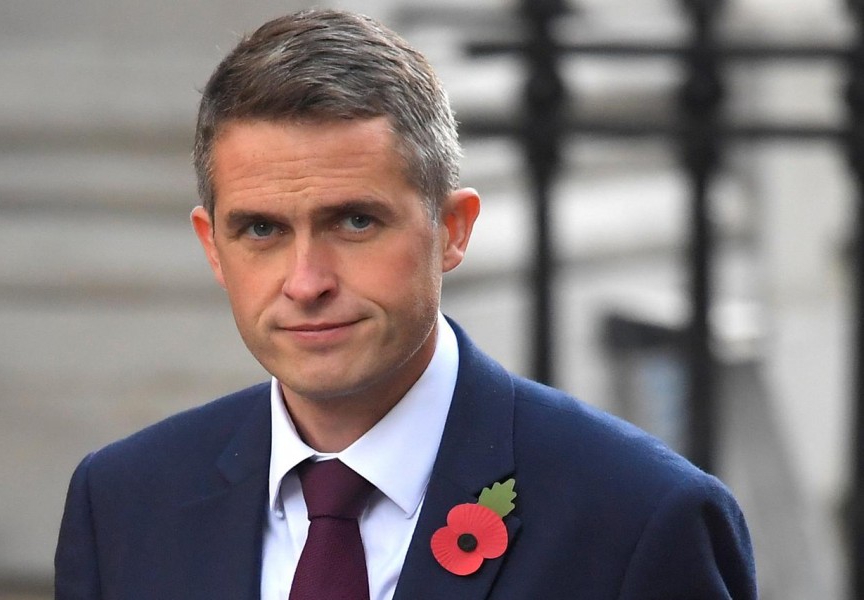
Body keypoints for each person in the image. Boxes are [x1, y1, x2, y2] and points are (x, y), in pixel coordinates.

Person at [54, 8, 756, 599]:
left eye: (354, 221)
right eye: (262, 230)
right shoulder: (121, 503)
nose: (306, 281)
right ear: (212, 246)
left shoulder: (639, 518)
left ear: (452, 230)